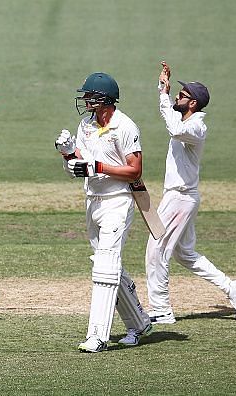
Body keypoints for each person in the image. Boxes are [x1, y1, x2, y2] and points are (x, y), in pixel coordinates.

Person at [144, 61, 236, 324]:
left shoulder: (196, 127)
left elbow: (175, 129)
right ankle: (231, 287)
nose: (178, 96)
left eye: (182, 95)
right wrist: (163, 88)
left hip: (179, 197)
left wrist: (165, 97)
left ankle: (161, 310)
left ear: (193, 104)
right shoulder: (185, 119)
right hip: (180, 196)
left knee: (157, 251)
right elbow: (174, 121)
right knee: (184, 254)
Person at [57, 72, 152, 353]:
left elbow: (134, 170)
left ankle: (97, 336)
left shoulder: (125, 126)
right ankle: (139, 323)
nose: (85, 100)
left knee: (104, 268)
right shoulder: (85, 125)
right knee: (108, 266)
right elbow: (78, 168)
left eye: (90, 96)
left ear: (105, 99)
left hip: (117, 201)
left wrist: (98, 167)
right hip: (93, 201)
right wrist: (67, 154)